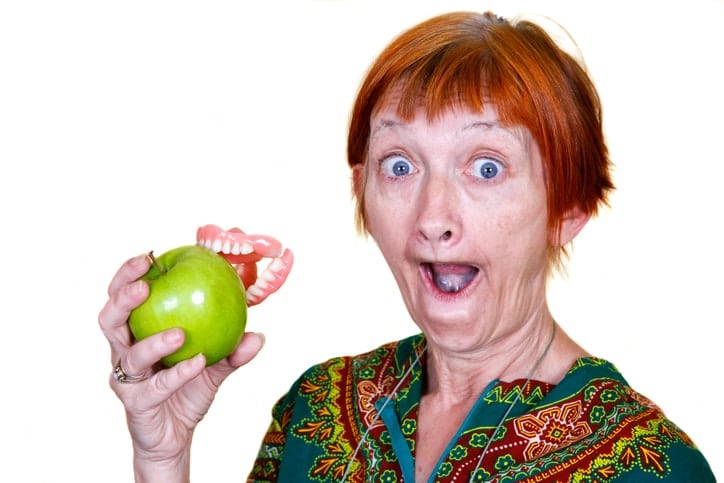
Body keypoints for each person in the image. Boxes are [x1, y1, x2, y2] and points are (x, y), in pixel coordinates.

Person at [98, 10, 715, 482]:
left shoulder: (652, 465)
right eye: (399, 166)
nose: (433, 217)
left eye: (487, 168)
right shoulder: (313, 413)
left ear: (567, 210)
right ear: (361, 189)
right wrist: (163, 455)